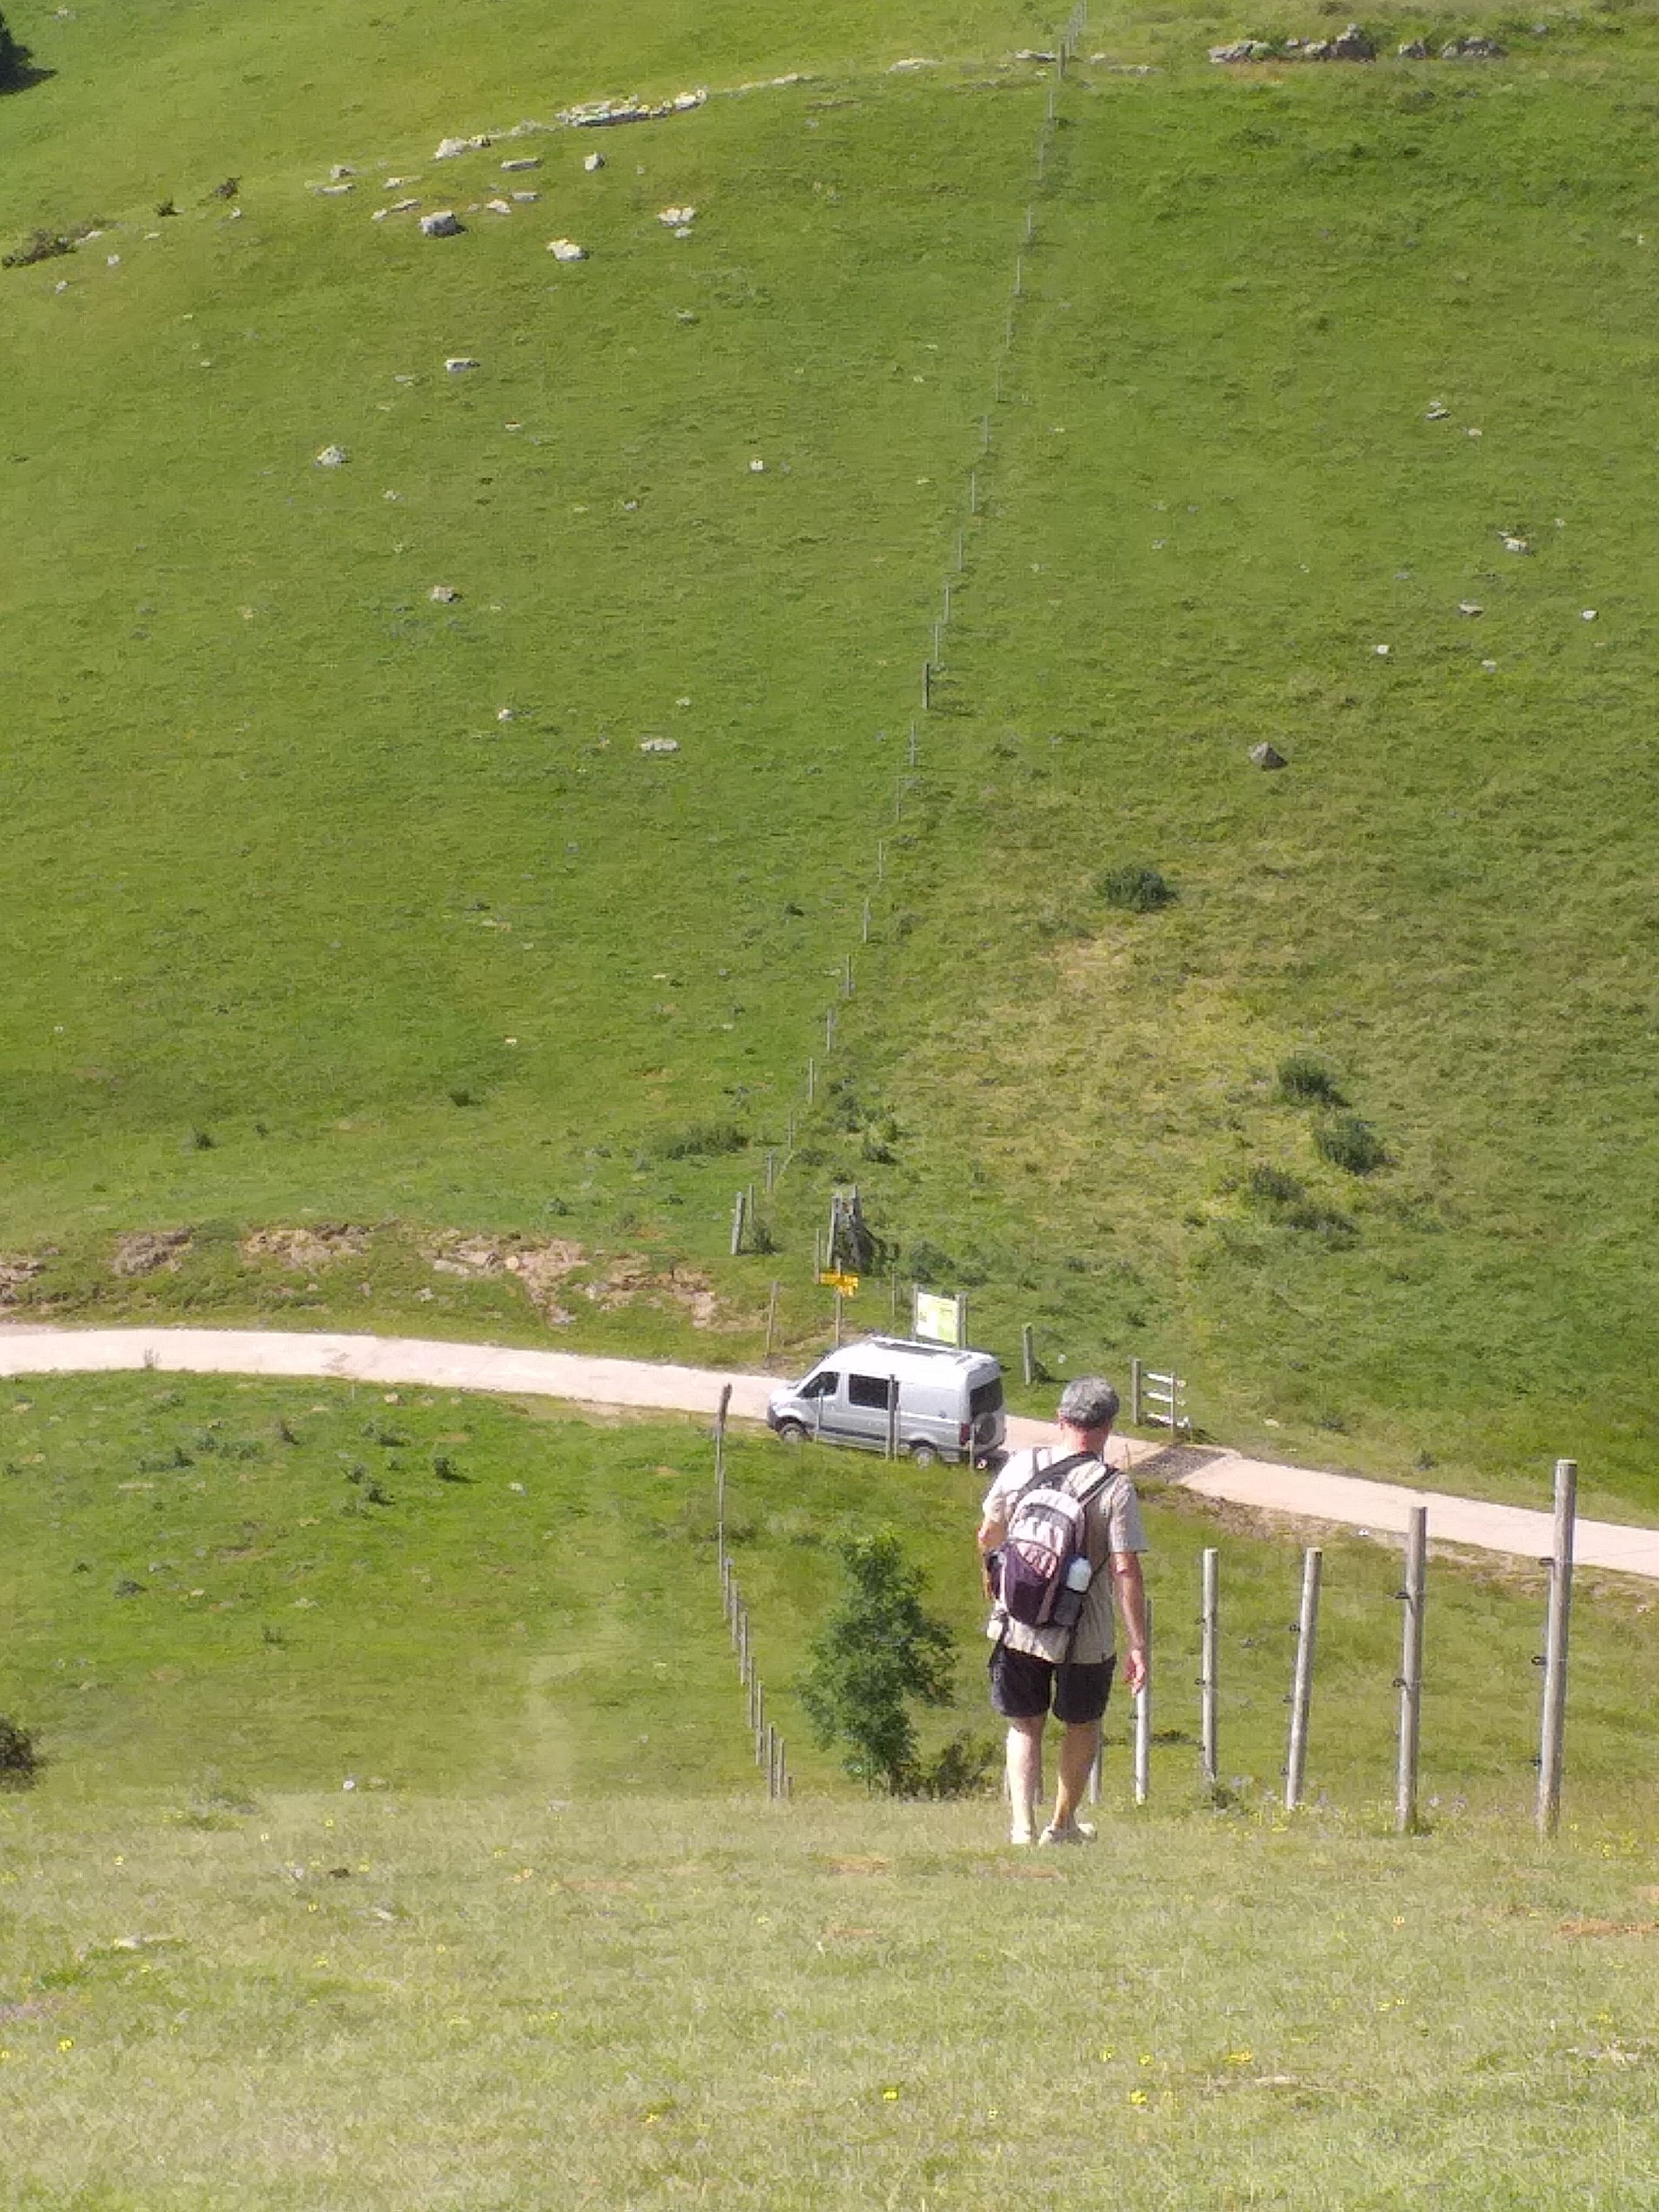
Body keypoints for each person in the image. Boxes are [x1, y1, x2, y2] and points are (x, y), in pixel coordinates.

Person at [977, 1375, 1148, 1845]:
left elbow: (988, 1534)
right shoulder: (1115, 1488)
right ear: (1108, 1427)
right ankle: (1062, 1825)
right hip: (1085, 1630)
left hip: (1021, 1622)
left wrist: (1001, 1585)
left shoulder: (1023, 1465)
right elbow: (1125, 1568)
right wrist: (1138, 1645)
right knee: (1081, 1723)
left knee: (1024, 1723)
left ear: (1060, 1419)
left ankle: (1022, 1827)